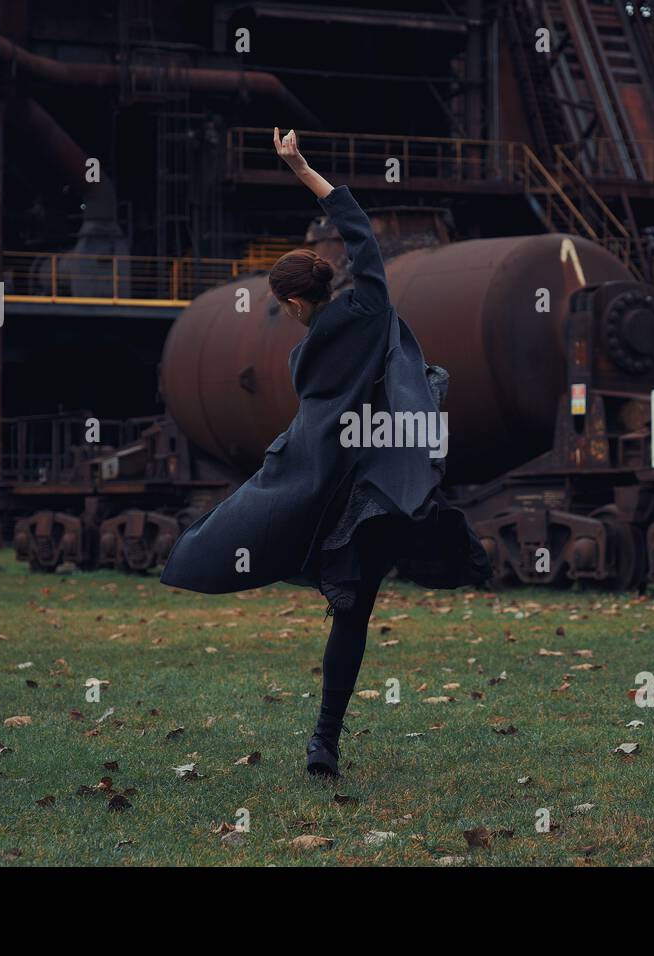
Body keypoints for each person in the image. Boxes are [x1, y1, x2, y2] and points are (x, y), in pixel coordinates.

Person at [160, 128, 491, 777]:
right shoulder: (369, 301)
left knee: (311, 577)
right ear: (328, 278)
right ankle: (324, 738)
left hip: (326, 497)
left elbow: (307, 443)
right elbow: (358, 224)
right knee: (354, 615)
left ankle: (321, 744)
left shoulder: (303, 358)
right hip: (381, 493)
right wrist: (300, 166)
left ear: (290, 302)